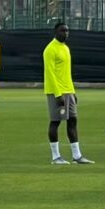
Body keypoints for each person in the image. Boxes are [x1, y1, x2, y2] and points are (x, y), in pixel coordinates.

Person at [43, 23, 93, 165]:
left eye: (67, 30)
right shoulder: (50, 50)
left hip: (68, 91)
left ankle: (77, 156)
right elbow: (50, 74)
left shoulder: (65, 48)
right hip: (56, 92)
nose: (65, 33)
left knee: (73, 121)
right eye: (62, 30)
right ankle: (55, 157)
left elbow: (67, 73)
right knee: (55, 122)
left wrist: (73, 92)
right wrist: (58, 94)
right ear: (55, 32)